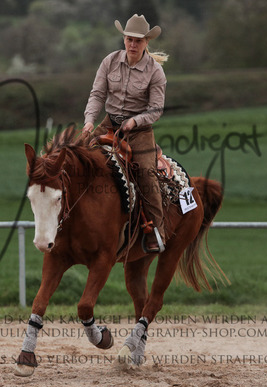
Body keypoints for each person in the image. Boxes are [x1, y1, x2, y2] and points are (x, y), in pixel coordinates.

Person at [83, 14, 168, 253]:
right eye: (129, 39)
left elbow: (156, 110)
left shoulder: (155, 72)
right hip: (109, 123)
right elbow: (97, 95)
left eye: (138, 41)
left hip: (139, 131)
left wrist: (134, 121)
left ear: (146, 42)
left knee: (146, 174)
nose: (133, 44)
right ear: (124, 39)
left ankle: (156, 231)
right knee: (76, 155)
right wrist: (89, 121)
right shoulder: (109, 61)